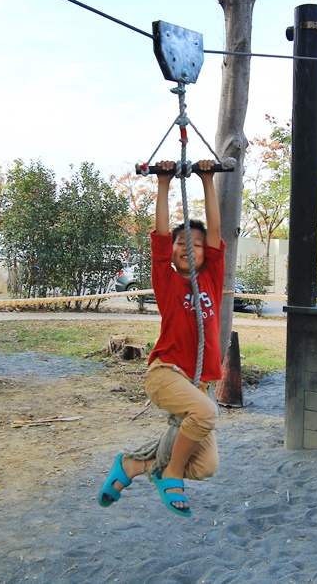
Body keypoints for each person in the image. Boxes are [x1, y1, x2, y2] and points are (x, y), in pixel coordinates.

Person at [98, 159, 223, 518]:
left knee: (205, 466)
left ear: (206, 254)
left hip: (199, 383)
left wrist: (208, 180)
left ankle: (133, 466)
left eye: (196, 245)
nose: (188, 247)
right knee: (204, 413)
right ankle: (169, 474)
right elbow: (159, 234)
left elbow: (215, 230)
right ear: (171, 251)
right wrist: (164, 184)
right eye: (181, 243)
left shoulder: (212, 277)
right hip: (167, 372)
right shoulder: (167, 281)